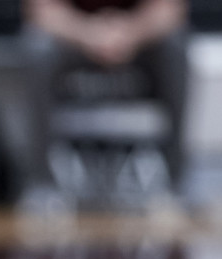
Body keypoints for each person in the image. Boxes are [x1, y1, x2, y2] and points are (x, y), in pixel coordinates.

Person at [19, 0, 190, 214]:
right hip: (74, 39)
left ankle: (176, 183)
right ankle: (41, 183)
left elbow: (170, 10)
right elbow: (41, 11)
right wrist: (89, 35)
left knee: (175, 43)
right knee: (38, 47)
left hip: (138, 41)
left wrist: (129, 34)